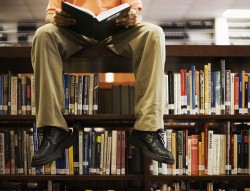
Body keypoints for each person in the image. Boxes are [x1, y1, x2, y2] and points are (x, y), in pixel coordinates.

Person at [31, 0, 174, 167]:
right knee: (43, 34)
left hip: (118, 33)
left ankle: (148, 129)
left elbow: (134, 12)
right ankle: (53, 129)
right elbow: (50, 14)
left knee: (154, 33)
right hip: (74, 32)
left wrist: (133, 18)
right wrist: (55, 19)